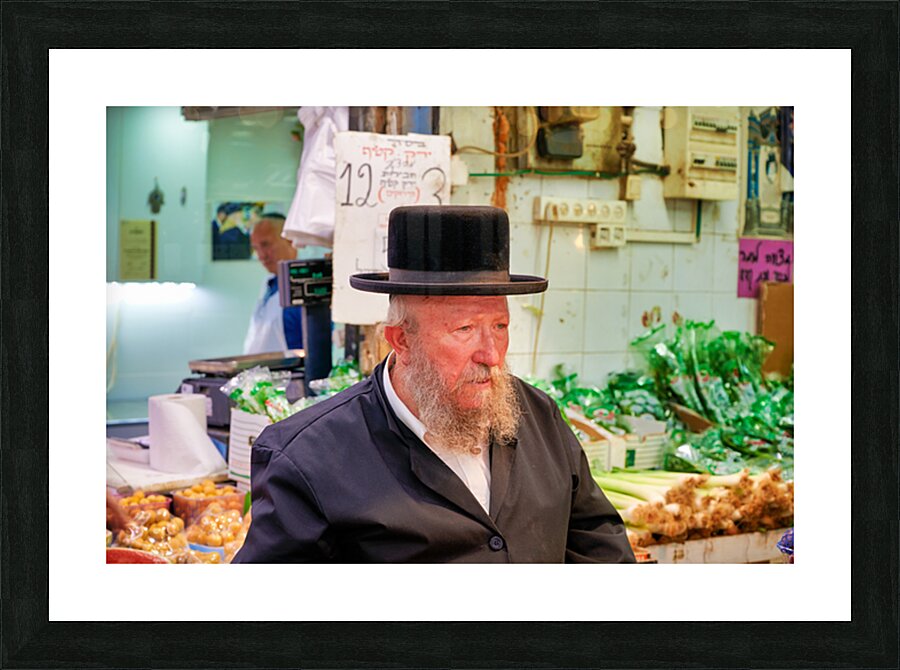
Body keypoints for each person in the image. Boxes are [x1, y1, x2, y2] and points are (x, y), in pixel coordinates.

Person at [233, 205, 635, 563]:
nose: (491, 354)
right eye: (464, 329)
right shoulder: (307, 459)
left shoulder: (539, 415)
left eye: (500, 326)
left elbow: (600, 547)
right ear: (401, 340)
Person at [242, 214, 304, 354]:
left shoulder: (303, 287)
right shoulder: (270, 285)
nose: (261, 255)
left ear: (290, 240)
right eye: (256, 248)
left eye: (265, 245)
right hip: (259, 373)